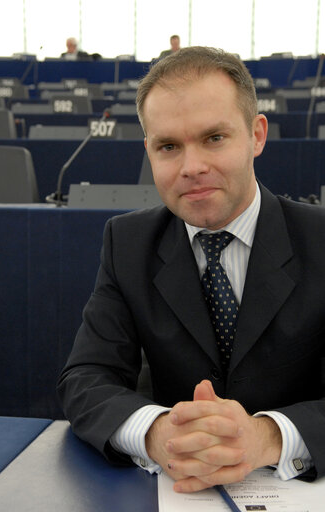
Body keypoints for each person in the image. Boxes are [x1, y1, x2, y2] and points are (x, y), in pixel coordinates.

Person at [57, 46, 325, 493]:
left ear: (256, 136)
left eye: (214, 138)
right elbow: (85, 379)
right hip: (176, 487)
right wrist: (158, 432)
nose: (192, 167)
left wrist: (267, 437)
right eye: (168, 147)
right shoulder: (127, 243)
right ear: (149, 151)